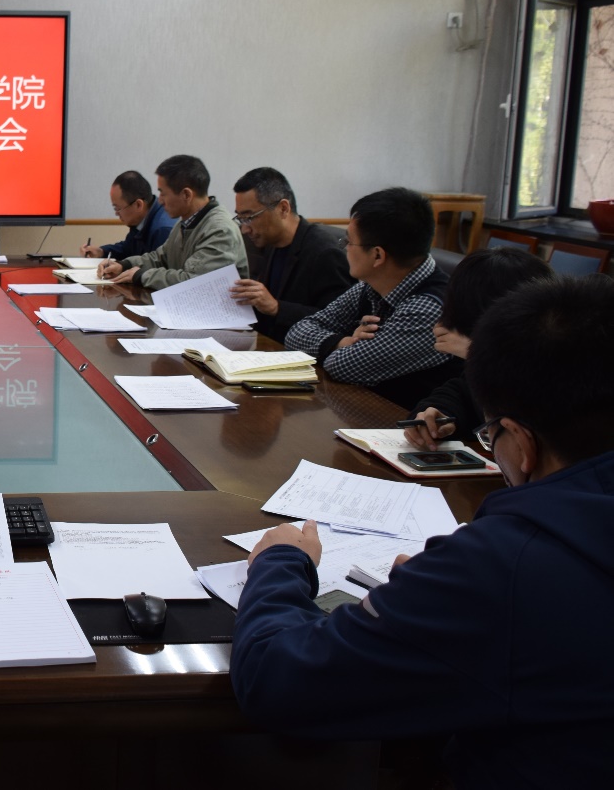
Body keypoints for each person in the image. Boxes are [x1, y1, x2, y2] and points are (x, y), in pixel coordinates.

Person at [232, 274, 614, 788]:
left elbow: (278, 681)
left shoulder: (503, 568)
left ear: (521, 443)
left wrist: (279, 564)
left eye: (490, 434)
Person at [284, 187, 459, 409]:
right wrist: (342, 341)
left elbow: (343, 366)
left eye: (349, 242)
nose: (345, 248)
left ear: (377, 255)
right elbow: (297, 332)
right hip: (363, 409)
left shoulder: (429, 310)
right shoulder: (371, 286)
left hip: (405, 422)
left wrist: (341, 349)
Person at [404, 247, 552, 450]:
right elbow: (462, 391)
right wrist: (439, 413)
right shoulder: (500, 348)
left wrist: (480, 355)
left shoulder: (558, 362)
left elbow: (529, 422)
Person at [227, 167, 352, 341]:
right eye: (240, 219)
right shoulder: (269, 243)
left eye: (249, 217)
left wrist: (277, 307)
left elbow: (340, 321)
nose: (245, 229)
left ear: (283, 209)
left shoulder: (325, 253)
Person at [97, 154, 249, 289]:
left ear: (186, 195)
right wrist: (124, 265)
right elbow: (160, 258)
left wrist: (141, 275)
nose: (160, 201)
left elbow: (195, 282)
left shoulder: (220, 230)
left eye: (163, 193)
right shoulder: (184, 222)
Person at [78, 170, 177, 259]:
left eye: (118, 208)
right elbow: (127, 249)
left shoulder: (163, 230)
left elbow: (156, 270)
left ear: (138, 205)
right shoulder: (141, 221)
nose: (116, 213)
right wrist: (101, 252)